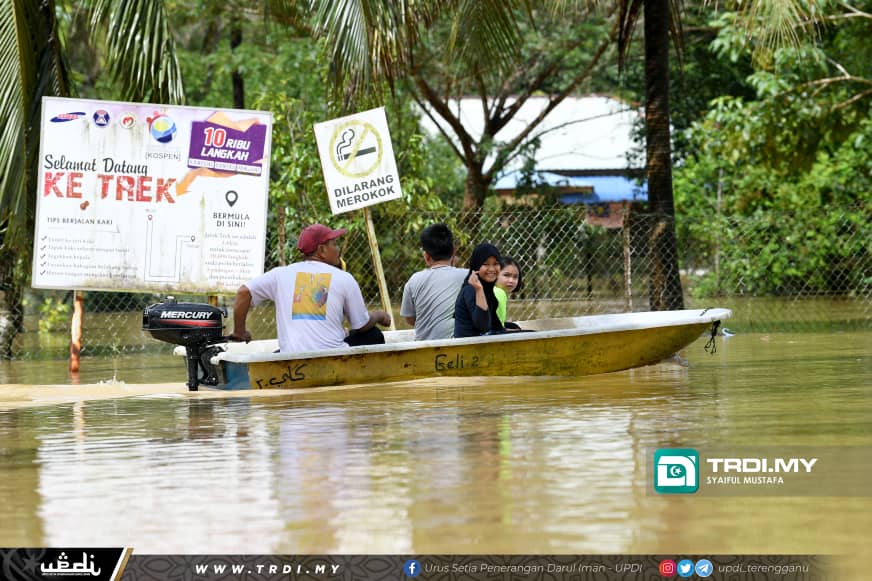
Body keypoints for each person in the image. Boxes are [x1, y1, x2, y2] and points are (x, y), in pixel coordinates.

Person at [229, 224, 391, 352]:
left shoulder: (280, 274)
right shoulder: (344, 278)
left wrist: (239, 332)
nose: (338, 249)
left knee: (280, 351)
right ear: (322, 250)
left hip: (291, 358)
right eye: (334, 244)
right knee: (373, 334)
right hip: (333, 356)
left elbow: (244, 292)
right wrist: (378, 315)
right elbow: (361, 325)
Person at [400, 223, 467, 340]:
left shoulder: (414, 280)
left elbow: (409, 318)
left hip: (423, 347)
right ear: (454, 252)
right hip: (459, 348)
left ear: (426, 256)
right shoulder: (468, 276)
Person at [453, 243, 505, 338]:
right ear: (476, 266)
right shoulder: (471, 290)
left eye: (496, 264)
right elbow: (483, 325)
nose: (491, 269)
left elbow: (494, 324)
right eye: (485, 264)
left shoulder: (488, 289)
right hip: (469, 345)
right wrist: (479, 289)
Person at [494, 256, 523, 327]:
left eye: (515, 277)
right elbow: (497, 328)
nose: (511, 280)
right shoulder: (499, 293)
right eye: (506, 275)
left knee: (514, 326)